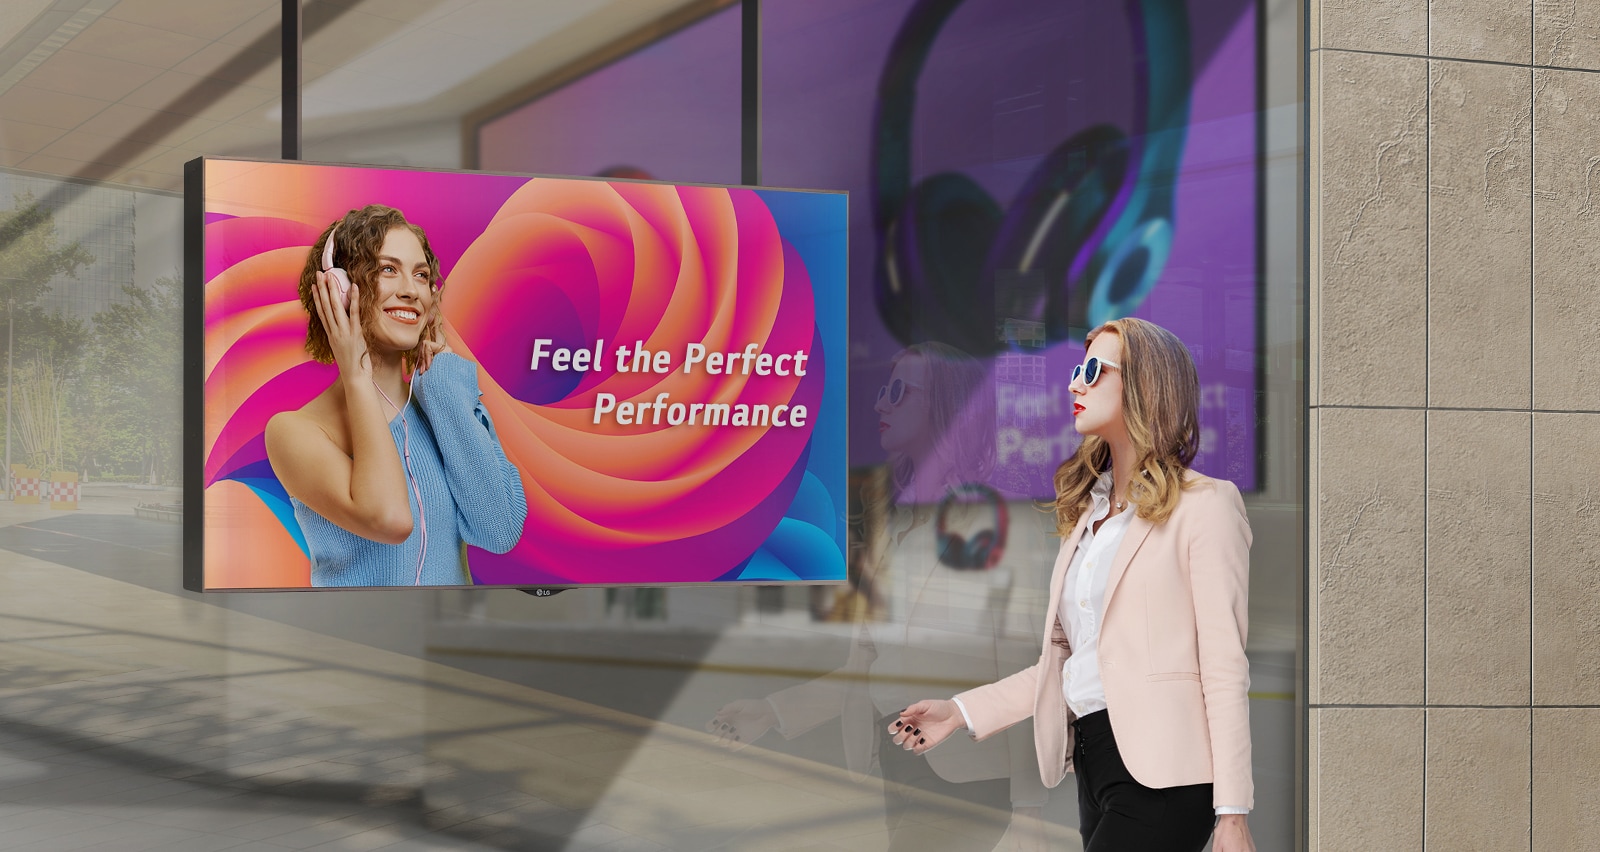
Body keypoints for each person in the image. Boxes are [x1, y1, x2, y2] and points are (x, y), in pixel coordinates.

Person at [889, 318, 1256, 852]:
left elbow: (1223, 665)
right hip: (1095, 764)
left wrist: (1233, 811)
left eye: (1091, 371)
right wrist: (961, 711)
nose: (1073, 385)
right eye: (1075, 371)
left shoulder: (1207, 507)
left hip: (1169, 777)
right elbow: (1065, 665)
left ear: (1144, 386)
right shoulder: (1090, 515)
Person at [709, 342, 1051, 851]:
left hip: (971, 776)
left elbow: (1029, 669)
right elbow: (870, 666)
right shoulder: (892, 529)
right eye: (881, 391)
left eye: (898, 391)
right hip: (898, 763)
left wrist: (1029, 809)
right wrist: (771, 711)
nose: (879, 405)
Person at [265, 205, 527, 587]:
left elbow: (499, 531)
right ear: (338, 289)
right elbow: (390, 520)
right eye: (388, 269)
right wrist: (357, 376)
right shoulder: (294, 432)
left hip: (445, 638)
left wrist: (444, 382)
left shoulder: (441, 406)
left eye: (421, 275)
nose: (410, 290)